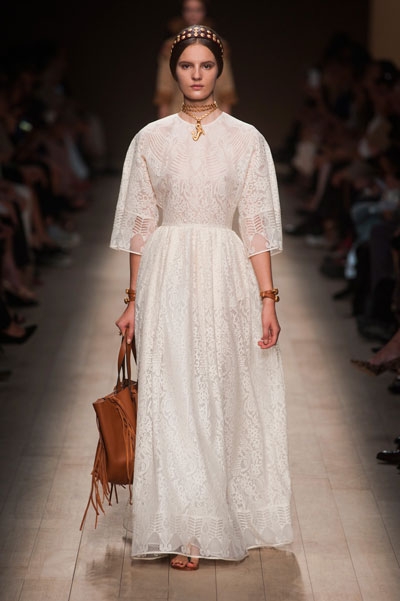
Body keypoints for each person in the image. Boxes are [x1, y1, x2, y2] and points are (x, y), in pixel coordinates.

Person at [111, 24, 293, 571]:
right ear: (174, 71)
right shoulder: (151, 139)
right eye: (187, 66)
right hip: (166, 273)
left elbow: (255, 224)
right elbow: (141, 225)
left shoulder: (246, 139)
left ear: (219, 70)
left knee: (215, 390)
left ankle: (210, 516)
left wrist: (267, 298)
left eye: (206, 66)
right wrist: (133, 299)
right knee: (171, 393)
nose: (196, 75)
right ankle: (184, 526)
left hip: (223, 274)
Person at [153, 0, 238, 118]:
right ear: (182, 12)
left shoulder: (218, 45)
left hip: (212, 113)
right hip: (178, 110)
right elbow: (165, 85)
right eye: (188, 10)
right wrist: (164, 123)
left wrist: (226, 122)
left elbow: (225, 85)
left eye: (198, 10)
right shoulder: (171, 46)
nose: (193, 14)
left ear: (205, 12)